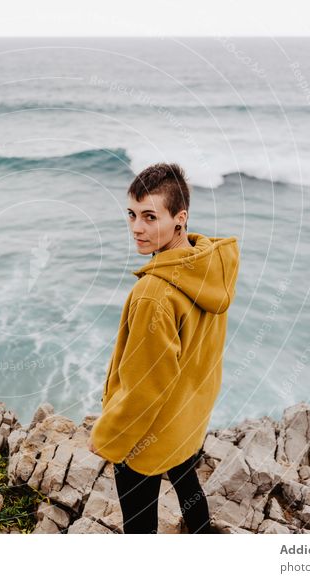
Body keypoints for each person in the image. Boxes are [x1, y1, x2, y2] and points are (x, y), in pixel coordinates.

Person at [87, 162, 240, 534]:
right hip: (187, 418)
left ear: (179, 219)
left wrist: (107, 438)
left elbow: (144, 386)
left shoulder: (154, 294)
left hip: (147, 435)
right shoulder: (208, 264)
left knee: (140, 530)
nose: (137, 228)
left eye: (150, 216)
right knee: (188, 486)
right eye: (132, 214)